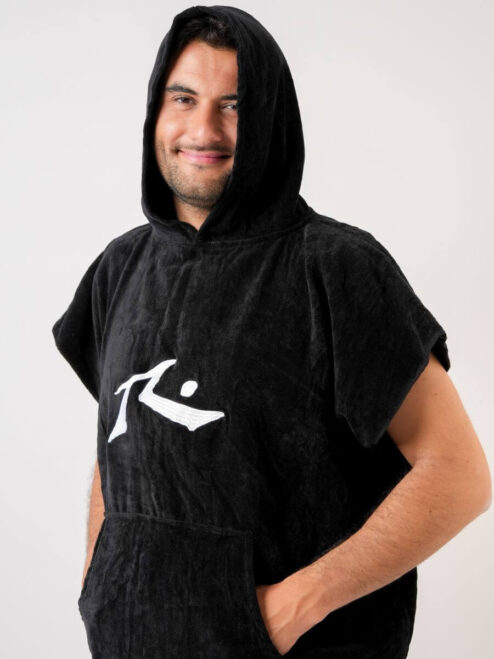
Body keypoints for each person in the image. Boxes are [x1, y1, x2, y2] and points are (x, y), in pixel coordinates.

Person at [51, 5, 491, 658]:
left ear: (271, 120)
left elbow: (459, 475)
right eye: (184, 98)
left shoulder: (336, 267)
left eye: (234, 105)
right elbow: (121, 439)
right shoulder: (121, 266)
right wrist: (100, 581)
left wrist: (290, 608)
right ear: (156, 110)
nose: (203, 129)